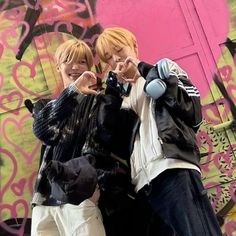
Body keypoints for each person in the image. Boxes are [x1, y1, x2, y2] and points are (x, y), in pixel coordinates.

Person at [95, 26, 223, 236]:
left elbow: (192, 111)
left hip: (173, 168)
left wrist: (143, 69)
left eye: (119, 49)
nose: (116, 59)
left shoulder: (164, 70)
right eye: (108, 57)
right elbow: (108, 136)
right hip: (143, 185)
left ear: (134, 46)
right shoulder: (121, 97)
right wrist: (111, 92)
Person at [29, 38, 146, 236]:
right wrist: (73, 93)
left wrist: (94, 189)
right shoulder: (45, 106)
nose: (75, 67)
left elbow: (103, 144)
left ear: (89, 67)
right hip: (45, 200)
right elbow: (45, 132)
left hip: (81, 196)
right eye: (69, 60)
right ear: (58, 66)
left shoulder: (98, 103)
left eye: (82, 62)